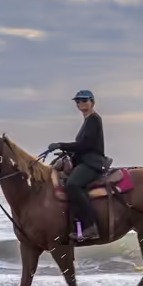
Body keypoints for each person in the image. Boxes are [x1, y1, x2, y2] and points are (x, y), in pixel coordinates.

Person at [48, 90, 107, 241]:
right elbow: (82, 147)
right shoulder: (87, 121)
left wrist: (61, 145)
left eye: (84, 100)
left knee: (72, 185)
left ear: (92, 102)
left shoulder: (94, 119)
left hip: (92, 163)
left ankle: (91, 226)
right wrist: (65, 156)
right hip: (85, 161)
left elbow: (85, 145)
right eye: (78, 101)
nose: (81, 103)